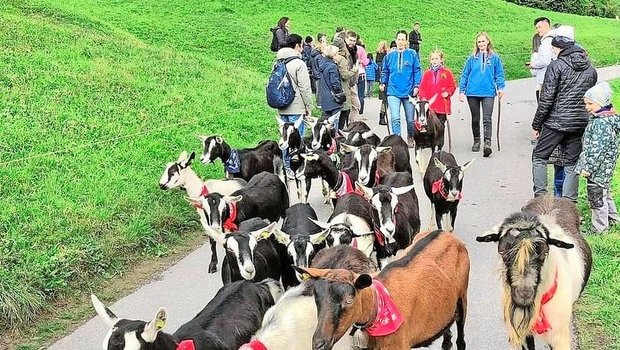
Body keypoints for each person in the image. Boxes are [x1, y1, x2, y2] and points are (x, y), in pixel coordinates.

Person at [531, 26, 597, 202]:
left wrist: (536, 124)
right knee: (571, 163)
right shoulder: (590, 68)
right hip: (580, 123)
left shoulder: (556, 66)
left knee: (539, 157)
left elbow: (546, 100)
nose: (552, 50)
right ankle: (569, 204)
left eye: (553, 47)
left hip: (556, 123)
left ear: (559, 47)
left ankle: (541, 200)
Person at [575, 82, 620, 233]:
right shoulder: (608, 118)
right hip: (605, 167)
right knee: (604, 194)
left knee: (596, 198)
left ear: (601, 103)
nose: (586, 107)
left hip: (598, 168)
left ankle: (599, 229)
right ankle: (614, 220)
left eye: (590, 103)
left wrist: (587, 168)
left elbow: (596, 150)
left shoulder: (601, 123)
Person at [458, 32, 506, 157]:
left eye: (483, 41)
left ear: (488, 42)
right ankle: (477, 140)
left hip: (488, 92)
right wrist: (461, 91)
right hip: (472, 92)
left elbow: (499, 74)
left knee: (487, 118)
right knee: (475, 118)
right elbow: (465, 74)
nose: (481, 44)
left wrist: (501, 87)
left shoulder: (494, 58)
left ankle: (487, 142)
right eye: (479, 42)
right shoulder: (472, 58)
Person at [275, 34, 313, 178]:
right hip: (296, 107)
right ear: (297, 46)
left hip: (281, 105)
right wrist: (308, 107)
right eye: (301, 45)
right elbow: (305, 87)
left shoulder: (278, 62)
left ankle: (286, 167)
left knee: (284, 138)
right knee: (298, 138)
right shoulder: (299, 63)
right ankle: (298, 166)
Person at [380, 30, 422, 146]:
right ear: (396, 40)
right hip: (393, 91)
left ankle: (410, 136)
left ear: (406, 41)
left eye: (403, 39)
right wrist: (383, 82)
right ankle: (397, 141)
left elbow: (417, 71)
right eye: (398, 39)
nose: (400, 42)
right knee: (395, 118)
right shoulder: (389, 56)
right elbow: (385, 71)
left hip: (408, 92)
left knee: (410, 120)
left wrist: (416, 86)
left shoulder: (412, 54)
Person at [418, 50, 457, 131]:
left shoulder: (447, 73)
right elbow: (422, 88)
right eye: (432, 59)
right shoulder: (426, 73)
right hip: (430, 105)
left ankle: (439, 143)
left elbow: (452, 86)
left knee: (440, 125)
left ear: (441, 60)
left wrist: (448, 92)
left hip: (441, 105)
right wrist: (423, 98)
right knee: (429, 126)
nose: (434, 61)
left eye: (436, 58)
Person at [333, 37, 358, 129]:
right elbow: (344, 75)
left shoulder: (328, 57)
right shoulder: (341, 59)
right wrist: (353, 70)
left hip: (333, 89)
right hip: (343, 88)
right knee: (344, 112)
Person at [317, 45, 344, 129]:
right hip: (334, 98)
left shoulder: (322, 65)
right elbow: (335, 83)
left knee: (326, 122)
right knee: (334, 122)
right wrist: (340, 91)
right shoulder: (332, 66)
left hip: (325, 97)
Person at [345, 31, 366, 121]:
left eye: (354, 41)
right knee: (345, 109)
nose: (352, 42)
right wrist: (355, 68)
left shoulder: (354, 50)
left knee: (356, 105)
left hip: (352, 82)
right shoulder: (343, 51)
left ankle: (353, 127)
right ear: (346, 39)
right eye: (350, 40)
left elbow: (365, 62)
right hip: (345, 81)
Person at [310, 33, 328, 108]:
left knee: (319, 89)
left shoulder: (315, 52)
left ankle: (320, 103)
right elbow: (321, 65)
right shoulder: (319, 55)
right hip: (319, 74)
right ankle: (319, 104)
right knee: (319, 90)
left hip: (317, 73)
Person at [376, 41, 390, 125]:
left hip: (382, 78)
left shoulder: (378, 54)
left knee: (385, 99)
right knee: (385, 100)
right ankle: (382, 117)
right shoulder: (386, 56)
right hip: (385, 80)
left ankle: (382, 117)